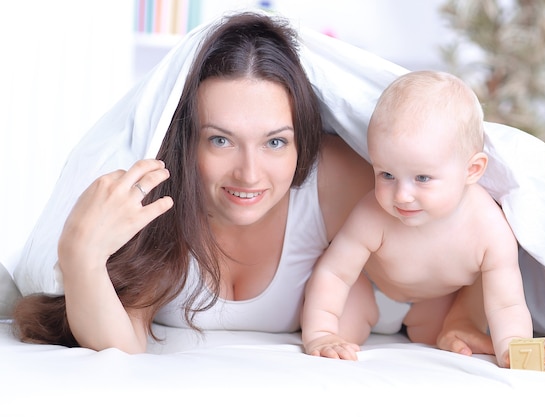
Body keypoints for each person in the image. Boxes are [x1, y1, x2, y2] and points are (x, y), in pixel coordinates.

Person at [12, 13, 492, 357]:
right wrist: (81, 258)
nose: (249, 173)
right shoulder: (160, 200)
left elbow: (472, 222)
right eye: (220, 140)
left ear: (302, 137)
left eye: (275, 143)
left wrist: (459, 319)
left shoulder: (340, 179)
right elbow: (122, 345)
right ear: (185, 140)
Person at [301, 70, 545, 371]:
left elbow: (506, 303)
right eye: (387, 175)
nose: (402, 196)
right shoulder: (373, 214)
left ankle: (456, 327)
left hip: (437, 302)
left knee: (459, 324)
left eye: (422, 178)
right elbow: (335, 274)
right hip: (370, 289)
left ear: (472, 170)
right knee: (338, 340)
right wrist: (320, 333)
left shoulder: (490, 229)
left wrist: (514, 346)